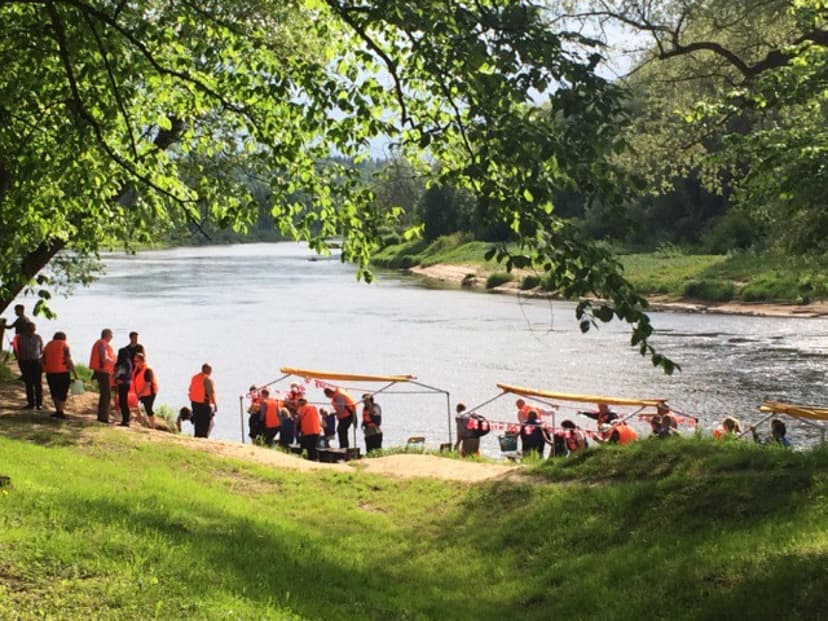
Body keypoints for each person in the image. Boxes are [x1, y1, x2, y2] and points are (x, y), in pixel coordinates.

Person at [42, 331, 77, 420]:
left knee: (54, 392)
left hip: (50, 372)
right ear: (64, 338)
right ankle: (60, 412)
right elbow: (68, 360)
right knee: (62, 392)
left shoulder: (48, 345)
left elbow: (42, 359)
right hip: (62, 372)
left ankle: (58, 411)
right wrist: (75, 373)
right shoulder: (64, 345)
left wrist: (44, 369)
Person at [89, 329, 115, 423]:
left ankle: (103, 416)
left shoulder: (101, 343)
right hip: (103, 372)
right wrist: (115, 363)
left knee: (105, 394)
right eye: (111, 335)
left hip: (101, 371)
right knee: (106, 394)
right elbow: (104, 358)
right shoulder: (102, 344)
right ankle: (103, 417)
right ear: (107, 335)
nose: (112, 337)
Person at [16, 321, 44, 410]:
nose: (32, 331)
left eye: (33, 329)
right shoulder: (20, 338)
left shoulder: (38, 337)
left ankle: (39, 404)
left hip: (36, 362)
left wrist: (41, 361)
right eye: (30, 330)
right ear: (26, 329)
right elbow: (16, 350)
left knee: (38, 384)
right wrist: (19, 360)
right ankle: (30, 403)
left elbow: (42, 349)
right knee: (28, 383)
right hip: (25, 362)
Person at [188, 363, 217, 438]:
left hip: (194, 403)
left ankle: (196, 436)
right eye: (210, 369)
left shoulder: (194, 377)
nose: (211, 371)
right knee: (205, 424)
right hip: (204, 404)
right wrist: (215, 404)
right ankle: (203, 438)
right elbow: (211, 392)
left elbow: (190, 389)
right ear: (207, 370)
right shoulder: (207, 379)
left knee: (197, 423)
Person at [131, 353, 158, 428]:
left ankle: (153, 426)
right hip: (140, 393)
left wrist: (140, 393)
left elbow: (148, 384)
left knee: (148, 409)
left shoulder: (147, 370)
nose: (135, 362)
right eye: (134, 361)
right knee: (135, 406)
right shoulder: (137, 369)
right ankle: (143, 422)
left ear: (142, 361)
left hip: (149, 393)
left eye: (137, 361)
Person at [4, 304, 30, 377]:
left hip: (20, 341)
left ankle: (24, 374)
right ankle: (25, 374)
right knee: (23, 358)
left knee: (20, 358)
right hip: (24, 341)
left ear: (21, 310)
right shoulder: (26, 319)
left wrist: (3, 325)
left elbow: (10, 327)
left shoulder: (20, 320)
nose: (15, 312)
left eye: (16, 311)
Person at [113, 346, 133, 426]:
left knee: (122, 402)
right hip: (127, 383)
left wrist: (114, 378)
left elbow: (118, 374)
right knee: (124, 402)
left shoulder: (122, 364)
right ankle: (126, 419)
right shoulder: (129, 363)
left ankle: (125, 420)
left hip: (122, 383)